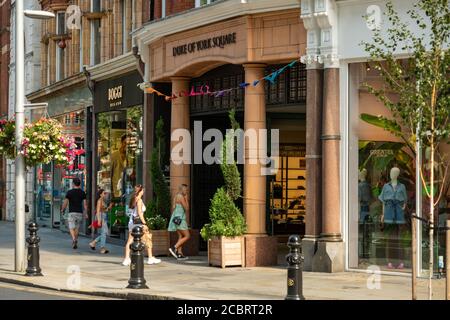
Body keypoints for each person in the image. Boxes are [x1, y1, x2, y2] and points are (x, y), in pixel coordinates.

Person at [122, 185, 161, 266]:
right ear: (140, 191)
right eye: (143, 190)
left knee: (130, 240)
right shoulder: (139, 200)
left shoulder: (133, 199)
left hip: (132, 222)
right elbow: (140, 213)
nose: (143, 192)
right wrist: (144, 223)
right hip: (139, 223)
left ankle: (126, 259)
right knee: (148, 238)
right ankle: (150, 258)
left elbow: (131, 212)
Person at [60, 178, 87, 249]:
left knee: (71, 227)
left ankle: (74, 239)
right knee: (77, 227)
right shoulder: (82, 192)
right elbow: (85, 205)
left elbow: (65, 202)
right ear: (80, 184)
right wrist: (86, 213)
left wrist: (62, 209)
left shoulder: (69, 192)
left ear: (73, 184)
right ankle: (76, 239)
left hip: (72, 212)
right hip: (79, 212)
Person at [168, 184, 190, 260]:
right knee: (187, 236)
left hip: (176, 218)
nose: (186, 191)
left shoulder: (176, 196)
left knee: (181, 236)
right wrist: (186, 199)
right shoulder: (181, 197)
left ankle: (180, 254)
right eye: (185, 190)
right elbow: (186, 208)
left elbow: (174, 208)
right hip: (180, 219)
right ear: (182, 189)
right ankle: (174, 248)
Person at [89, 189, 113, 254]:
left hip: (104, 216)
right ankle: (102, 248)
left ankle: (93, 243)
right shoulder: (99, 201)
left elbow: (105, 210)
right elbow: (98, 211)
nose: (105, 194)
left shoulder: (103, 200)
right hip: (101, 217)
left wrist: (109, 207)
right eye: (103, 193)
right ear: (100, 194)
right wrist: (99, 220)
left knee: (104, 233)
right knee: (104, 232)